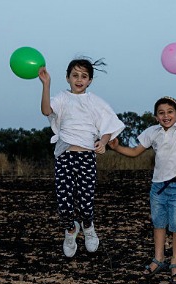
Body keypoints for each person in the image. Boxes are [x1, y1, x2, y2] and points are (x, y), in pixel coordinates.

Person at [108, 71, 176, 284]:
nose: (166, 116)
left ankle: (175, 262)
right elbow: (135, 152)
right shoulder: (153, 132)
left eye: (170, 112)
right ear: (156, 116)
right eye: (161, 112)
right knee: (159, 224)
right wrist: (117, 147)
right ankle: (158, 259)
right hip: (158, 187)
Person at [38, 57, 125, 258]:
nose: (79, 79)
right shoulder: (61, 98)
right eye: (75, 75)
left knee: (86, 203)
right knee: (64, 204)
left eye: (84, 76)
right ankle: (70, 230)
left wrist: (103, 143)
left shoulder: (95, 102)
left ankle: (88, 226)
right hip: (65, 156)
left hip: (87, 157)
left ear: (90, 80)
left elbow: (109, 127)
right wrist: (46, 85)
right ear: (67, 78)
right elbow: (45, 111)